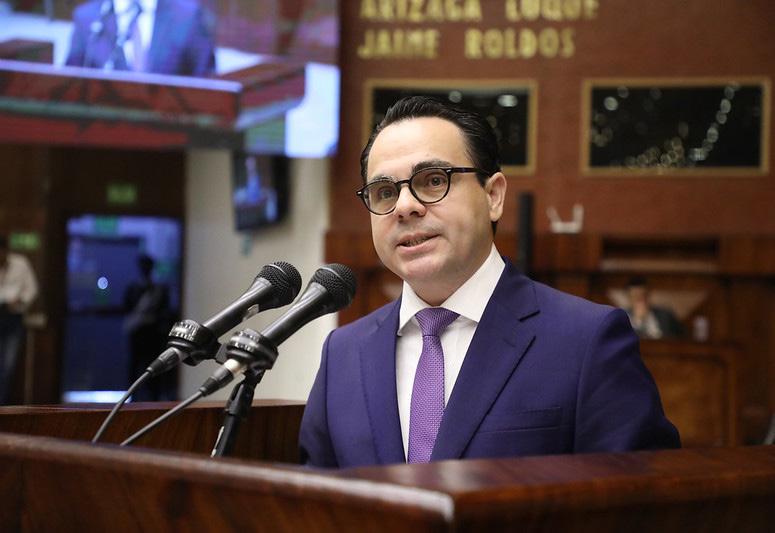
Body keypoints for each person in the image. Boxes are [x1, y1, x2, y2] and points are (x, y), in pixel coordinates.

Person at [299, 96, 680, 468]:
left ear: (493, 196)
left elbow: (640, 497)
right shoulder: (343, 353)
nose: (404, 206)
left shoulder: (586, 339)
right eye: (384, 192)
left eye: (433, 181)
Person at [65, 0, 216, 77]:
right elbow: (70, 87)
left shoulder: (188, 16)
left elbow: (206, 84)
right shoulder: (88, 18)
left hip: (169, 124)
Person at [123, 253, 174, 401]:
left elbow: (164, 311)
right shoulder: (134, 289)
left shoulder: (158, 290)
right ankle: (132, 395)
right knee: (135, 364)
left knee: (152, 365)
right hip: (138, 332)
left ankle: (153, 396)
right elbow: (127, 307)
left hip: (152, 333)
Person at [0, 234, 38, 404]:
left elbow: (32, 289)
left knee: (8, 365)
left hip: (13, 317)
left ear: (6, 251)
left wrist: (20, 300)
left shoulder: (20, 264)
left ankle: (2, 405)